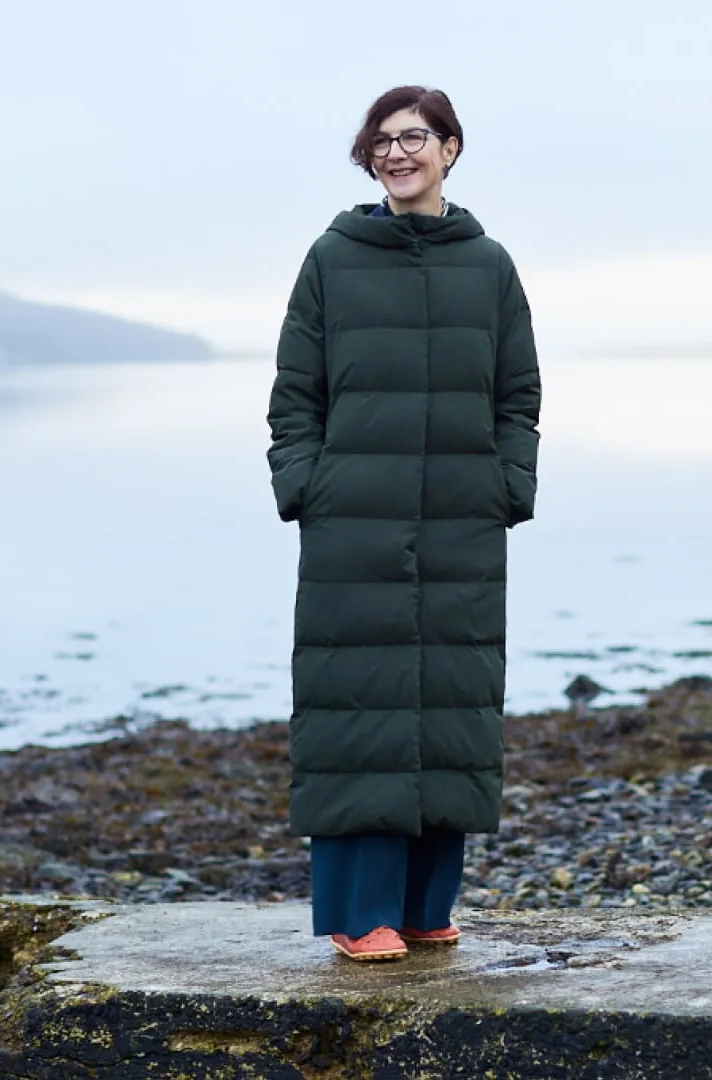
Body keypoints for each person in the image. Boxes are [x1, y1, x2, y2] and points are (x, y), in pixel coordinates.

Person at [266, 85, 541, 962]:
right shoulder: (332, 257)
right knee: (360, 712)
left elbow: (518, 394)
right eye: (380, 142)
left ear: (450, 148)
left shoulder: (489, 264)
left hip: (463, 517)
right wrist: (306, 484)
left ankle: (424, 907)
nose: (395, 153)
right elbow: (294, 394)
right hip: (354, 521)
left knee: (449, 708)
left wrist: (509, 486)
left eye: (413, 137)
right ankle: (359, 915)